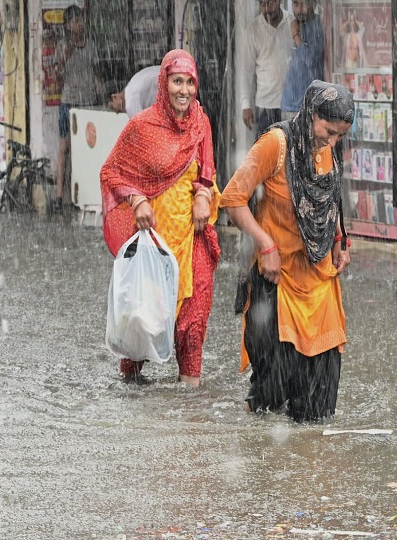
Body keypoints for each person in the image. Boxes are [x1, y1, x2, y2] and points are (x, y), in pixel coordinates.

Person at [220, 80, 354, 422]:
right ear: (310, 114)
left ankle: (312, 471)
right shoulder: (276, 144)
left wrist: (340, 240)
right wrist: (265, 245)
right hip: (276, 278)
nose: (332, 141)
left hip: (318, 276)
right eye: (329, 131)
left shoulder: (326, 146)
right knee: (270, 394)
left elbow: (328, 198)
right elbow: (233, 198)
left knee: (318, 406)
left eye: (340, 135)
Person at [100, 50, 221, 388]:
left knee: (192, 325)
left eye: (190, 82)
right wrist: (137, 200)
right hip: (155, 242)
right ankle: (133, 398)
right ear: (163, 83)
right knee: (143, 323)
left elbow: (207, 171)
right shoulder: (142, 127)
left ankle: (188, 414)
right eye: (177, 81)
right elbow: (111, 171)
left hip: (192, 235)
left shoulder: (201, 122)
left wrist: (202, 195)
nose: (184, 90)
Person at [56, 5, 100, 211]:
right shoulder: (63, 45)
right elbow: (57, 75)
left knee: (88, 148)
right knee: (64, 147)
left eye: (80, 20)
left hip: (88, 102)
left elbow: (97, 72)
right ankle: (59, 196)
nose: (78, 24)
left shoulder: (91, 45)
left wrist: (98, 86)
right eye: (73, 21)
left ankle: (84, 194)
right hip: (69, 101)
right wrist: (66, 54)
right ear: (67, 25)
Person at [239, 0, 293, 138]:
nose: (267, 8)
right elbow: (246, 71)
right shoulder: (253, 30)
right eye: (263, 4)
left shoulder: (292, 22)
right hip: (265, 105)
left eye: (270, 3)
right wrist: (245, 105)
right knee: (266, 154)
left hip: (291, 103)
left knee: (290, 153)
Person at [280, 0, 324, 120]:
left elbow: (311, 59)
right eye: (296, 4)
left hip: (306, 107)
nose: (299, 10)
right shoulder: (297, 24)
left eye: (304, 4)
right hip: (289, 104)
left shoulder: (317, 26)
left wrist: (296, 36)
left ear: (313, 4)